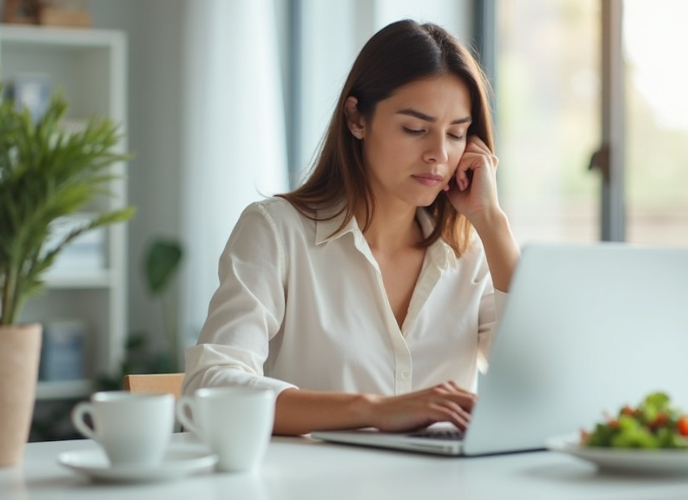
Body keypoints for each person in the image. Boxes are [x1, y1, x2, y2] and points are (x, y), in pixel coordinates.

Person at [183, 19, 519, 436]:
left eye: (456, 134)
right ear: (357, 118)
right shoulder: (277, 232)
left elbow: (539, 379)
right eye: (415, 129)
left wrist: (492, 221)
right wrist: (374, 409)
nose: (438, 154)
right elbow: (209, 387)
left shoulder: (470, 252)